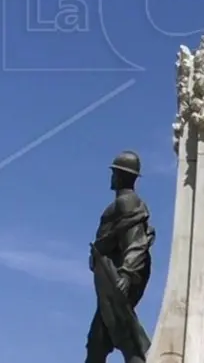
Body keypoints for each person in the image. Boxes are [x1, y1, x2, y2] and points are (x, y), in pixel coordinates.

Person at [85, 151, 155, 363]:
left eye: (114, 173)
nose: (112, 177)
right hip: (111, 276)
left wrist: (125, 274)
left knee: (124, 335)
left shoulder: (127, 203)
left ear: (121, 175)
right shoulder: (124, 203)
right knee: (100, 338)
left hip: (118, 277)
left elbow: (135, 242)